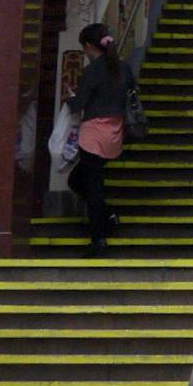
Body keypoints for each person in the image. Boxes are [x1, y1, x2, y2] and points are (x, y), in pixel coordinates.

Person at [68, 24, 131, 254]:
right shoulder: (123, 68)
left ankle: (98, 239)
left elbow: (79, 104)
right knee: (78, 179)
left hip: (93, 133)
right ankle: (109, 216)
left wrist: (70, 98)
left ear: (87, 46)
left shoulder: (93, 71)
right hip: (115, 132)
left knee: (91, 186)